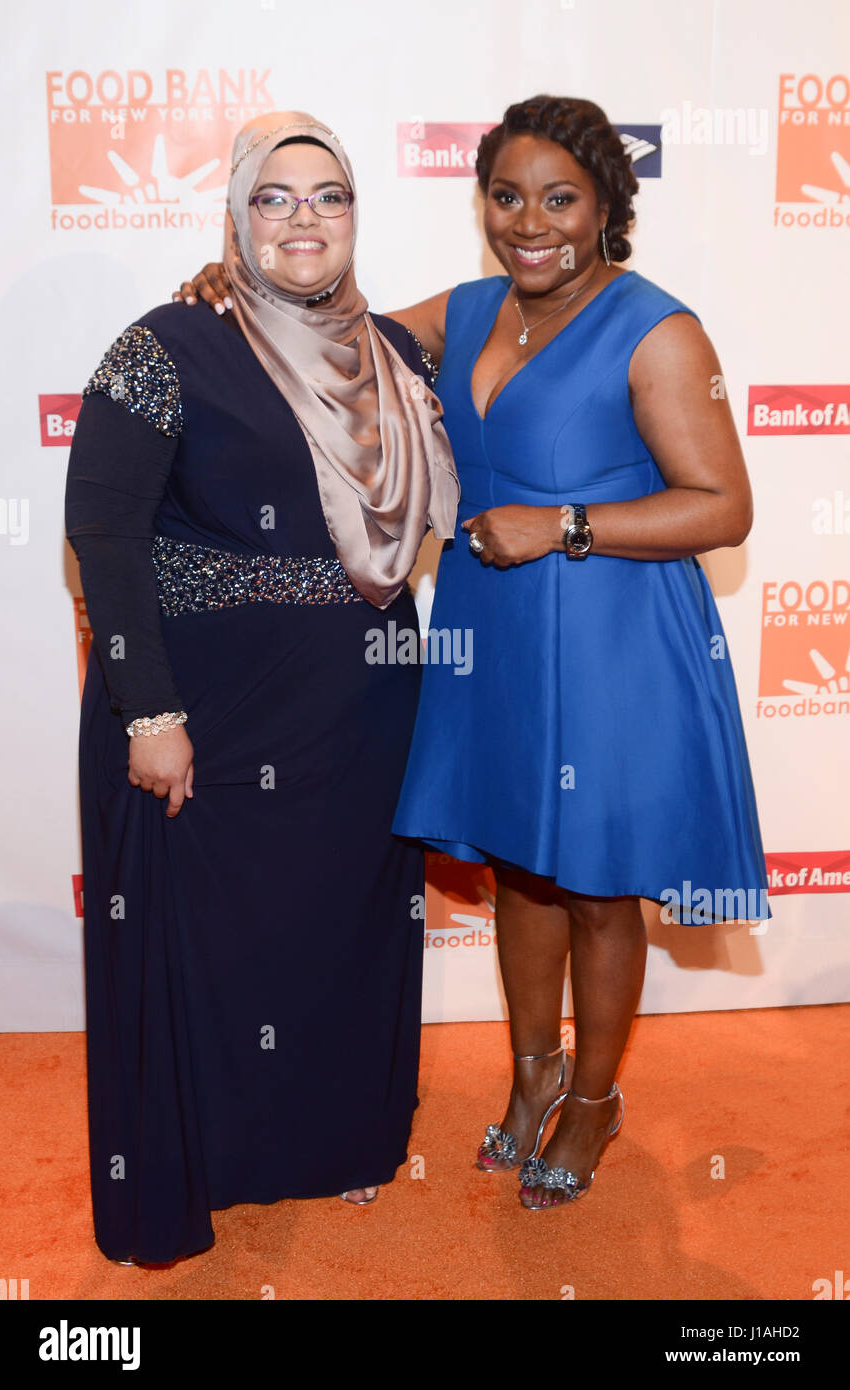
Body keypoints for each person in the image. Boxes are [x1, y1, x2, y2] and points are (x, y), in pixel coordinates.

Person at [176, 94, 770, 1213]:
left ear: (606, 208)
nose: (528, 222)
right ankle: (533, 1067)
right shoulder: (471, 306)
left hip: (610, 639)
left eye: (559, 199)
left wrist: (567, 525)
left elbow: (724, 506)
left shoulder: (657, 327)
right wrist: (236, 292)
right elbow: (333, 339)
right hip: (493, 636)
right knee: (519, 869)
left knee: (597, 885)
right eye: (507, 196)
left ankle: (593, 1100)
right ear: (482, 203)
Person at [65, 109, 458, 1263]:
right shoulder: (165, 343)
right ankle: (212, 1160)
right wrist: (151, 710)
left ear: (354, 216)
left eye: (328, 196)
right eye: (276, 196)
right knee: (208, 941)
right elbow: (103, 532)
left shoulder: (395, 352)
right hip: (208, 713)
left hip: (361, 708)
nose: (303, 217)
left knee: (335, 931)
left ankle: (331, 1143)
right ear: (236, 215)